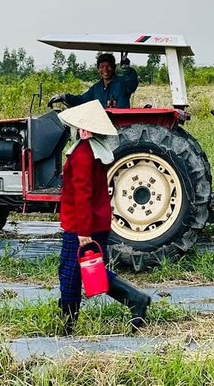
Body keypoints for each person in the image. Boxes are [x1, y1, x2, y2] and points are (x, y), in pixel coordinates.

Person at [55, 99, 152, 334]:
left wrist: (83, 232)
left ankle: (67, 324)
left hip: (82, 225)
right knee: (89, 270)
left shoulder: (82, 155)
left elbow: (82, 196)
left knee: (70, 273)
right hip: (95, 221)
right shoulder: (96, 150)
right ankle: (134, 300)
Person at [49, 52, 139, 109]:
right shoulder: (96, 88)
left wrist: (126, 68)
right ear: (97, 69)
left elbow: (132, 83)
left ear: (114, 67)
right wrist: (64, 97)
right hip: (101, 127)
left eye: (108, 66)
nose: (105, 70)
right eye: (101, 67)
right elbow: (81, 100)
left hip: (121, 127)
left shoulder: (123, 83)